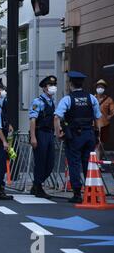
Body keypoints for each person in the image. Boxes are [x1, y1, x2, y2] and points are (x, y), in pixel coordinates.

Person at [54, 71, 102, 203]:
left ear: (71, 84)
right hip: (89, 134)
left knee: (74, 163)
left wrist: (58, 133)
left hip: (75, 136)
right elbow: (98, 118)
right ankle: (91, 192)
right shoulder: (91, 98)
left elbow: (57, 117)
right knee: (89, 164)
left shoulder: (67, 99)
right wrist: (97, 135)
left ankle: (76, 193)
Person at [28, 75, 58, 199]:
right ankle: (38, 188)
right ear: (45, 88)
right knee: (40, 161)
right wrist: (33, 137)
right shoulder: (38, 101)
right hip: (40, 134)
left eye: (54, 85)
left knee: (50, 162)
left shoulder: (52, 102)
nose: (53, 88)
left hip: (50, 134)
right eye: (50, 85)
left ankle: (36, 184)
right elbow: (33, 120)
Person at [94, 79, 114, 162]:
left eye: (102, 87)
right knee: (96, 145)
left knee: (101, 144)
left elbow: (113, 110)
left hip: (104, 124)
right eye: (98, 86)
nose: (100, 88)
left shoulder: (109, 100)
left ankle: (98, 161)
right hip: (93, 125)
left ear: (104, 88)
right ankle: (97, 163)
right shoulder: (92, 98)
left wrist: (110, 116)